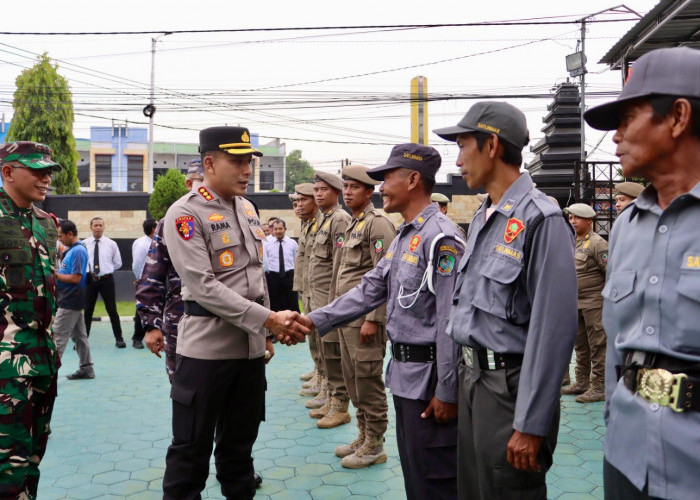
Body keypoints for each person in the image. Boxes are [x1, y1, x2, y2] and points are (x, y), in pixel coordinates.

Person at [290, 144, 464, 499]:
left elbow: (450, 319)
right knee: (417, 472)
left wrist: (447, 390)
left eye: (387, 178)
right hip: (405, 376)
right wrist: (310, 320)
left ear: (413, 179)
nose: (381, 187)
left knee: (436, 477)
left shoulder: (441, 238)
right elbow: (369, 290)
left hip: (430, 381)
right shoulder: (406, 236)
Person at [433, 101, 577, 499]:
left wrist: (531, 423)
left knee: (508, 490)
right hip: (475, 383)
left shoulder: (541, 219)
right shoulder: (483, 216)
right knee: (475, 490)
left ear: (492, 146)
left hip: (510, 392)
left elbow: (554, 333)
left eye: (463, 146)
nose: (459, 160)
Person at [161, 126, 307, 499]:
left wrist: (266, 334)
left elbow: (255, 278)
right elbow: (205, 286)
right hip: (206, 353)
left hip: (249, 354)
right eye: (237, 161)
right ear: (209, 163)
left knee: (239, 453)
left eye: (249, 162)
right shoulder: (184, 213)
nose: (247, 170)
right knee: (190, 453)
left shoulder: (246, 208)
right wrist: (269, 321)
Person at [583, 46, 700, 499]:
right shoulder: (628, 228)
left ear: (677, 117)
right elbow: (619, 345)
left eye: (626, 119)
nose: (614, 137)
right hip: (628, 458)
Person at [0, 141, 62, 498]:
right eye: (36, 171)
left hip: (42, 361)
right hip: (5, 365)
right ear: (8, 172)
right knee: (7, 463)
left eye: (49, 171)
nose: (46, 178)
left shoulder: (47, 224)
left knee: (33, 456)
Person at [333, 164, 396, 469]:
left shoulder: (378, 223)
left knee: (368, 381)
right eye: (345, 187)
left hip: (364, 321)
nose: (347, 192)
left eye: (354, 187)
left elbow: (384, 275)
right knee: (353, 380)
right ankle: (363, 433)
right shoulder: (353, 224)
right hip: (348, 320)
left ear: (369, 192)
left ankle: (375, 443)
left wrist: (374, 317)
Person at [137, 160, 203, 380]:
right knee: (182, 385)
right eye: (200, 181)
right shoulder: (174, 220)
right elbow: (153, 274)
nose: (206, 188)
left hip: (227, 319)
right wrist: (151, 324)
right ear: (188, 183)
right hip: (180, 316)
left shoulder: (234, 217)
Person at [306, 170, 352, 428]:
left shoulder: (339, 220)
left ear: (336, 192)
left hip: (330, 301)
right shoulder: (324, 220)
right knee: (323, 350)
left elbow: (340, 263)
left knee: (333, 354)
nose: (319, 194)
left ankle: (340, 405)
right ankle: (331, 395)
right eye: (317, 190)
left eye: (324, 190)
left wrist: (335, 302)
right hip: (317, 298)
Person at [562, 203, 608, 403]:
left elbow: (610, 273)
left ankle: (599, 386)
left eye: (576, 218)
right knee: (580, 345)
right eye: (570, 218)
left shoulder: (598, 244)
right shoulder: (571, 242)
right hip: (575, 303)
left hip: (594, 303)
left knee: (598, 345)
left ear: (589, 221)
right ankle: (582, 382)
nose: (572, 221)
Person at [293, 183, 324, 397]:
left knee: (326, 342)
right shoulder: (309, 225)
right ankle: (319, 373)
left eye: (302, 200)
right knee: (315, 340)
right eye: (295, 202)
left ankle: (329, 387)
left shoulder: (330, 221)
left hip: (323, 293)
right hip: (309, 289)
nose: (298, 206)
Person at [54, 219, 95, 380]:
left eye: (60, 236)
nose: (59, 239)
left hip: (71, 300)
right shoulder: (73, 250)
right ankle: (87, 368)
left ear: (70, 234)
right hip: (71, 299)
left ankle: (49, 375)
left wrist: (54, 274)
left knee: (58, 336)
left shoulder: (78, 251)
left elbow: (76, 278)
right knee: (79, 336)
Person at [83, 217, 125, 347]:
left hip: (106, 280)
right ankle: (83, 341)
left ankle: (119, 339)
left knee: (112, 309)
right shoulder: (83, 244)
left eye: (100, 225)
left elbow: (118, 263)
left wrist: (106, 269)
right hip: (89, 280)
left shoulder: (111, 244)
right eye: (95, 225)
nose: (98, 227)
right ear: (90, 227)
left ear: (104, 227)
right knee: (88, 310)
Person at [131, 218, 157, 349]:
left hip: (158, 281)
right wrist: (139, 278)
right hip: (145, 281)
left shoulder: (157, 242)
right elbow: (137, 264)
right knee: (141, 309)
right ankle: (137, 338)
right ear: (153, 228)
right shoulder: (142, 244)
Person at [263, 219, 299, 312]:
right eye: (276, 229)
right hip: (273, 277)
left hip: (289, 276)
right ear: (272, 230)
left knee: (292, 303)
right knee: (274, 304)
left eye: (280, 228)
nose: (278, 231)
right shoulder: (266, 243)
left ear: (285, 229)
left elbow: (297, 260)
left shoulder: (292, 243)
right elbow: (265, 261)